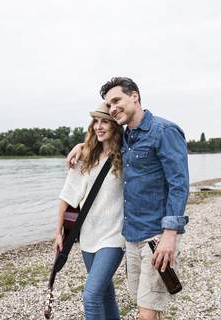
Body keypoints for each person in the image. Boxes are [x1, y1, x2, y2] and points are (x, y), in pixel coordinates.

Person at [67, 77, 190, 320]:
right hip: (131, 235)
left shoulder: (164, 131)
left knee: (145, 311)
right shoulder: (127, 138)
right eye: (109, 104)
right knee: (144, 302)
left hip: (156, 236)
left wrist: (169, 235)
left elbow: (179, 184)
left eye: (116, 100)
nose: (112, 108)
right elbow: (103, 140)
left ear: (134, 96)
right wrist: (83, 145)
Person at [55, 102, 126, 320]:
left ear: (115, 125)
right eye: (96, 121)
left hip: (114, 237)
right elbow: (67, 196)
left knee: (91, 296)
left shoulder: (125, 156)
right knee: (105, 294)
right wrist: (59, 232)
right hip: (87, 237)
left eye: (105, 121)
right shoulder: (84, 158)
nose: (99, 126)